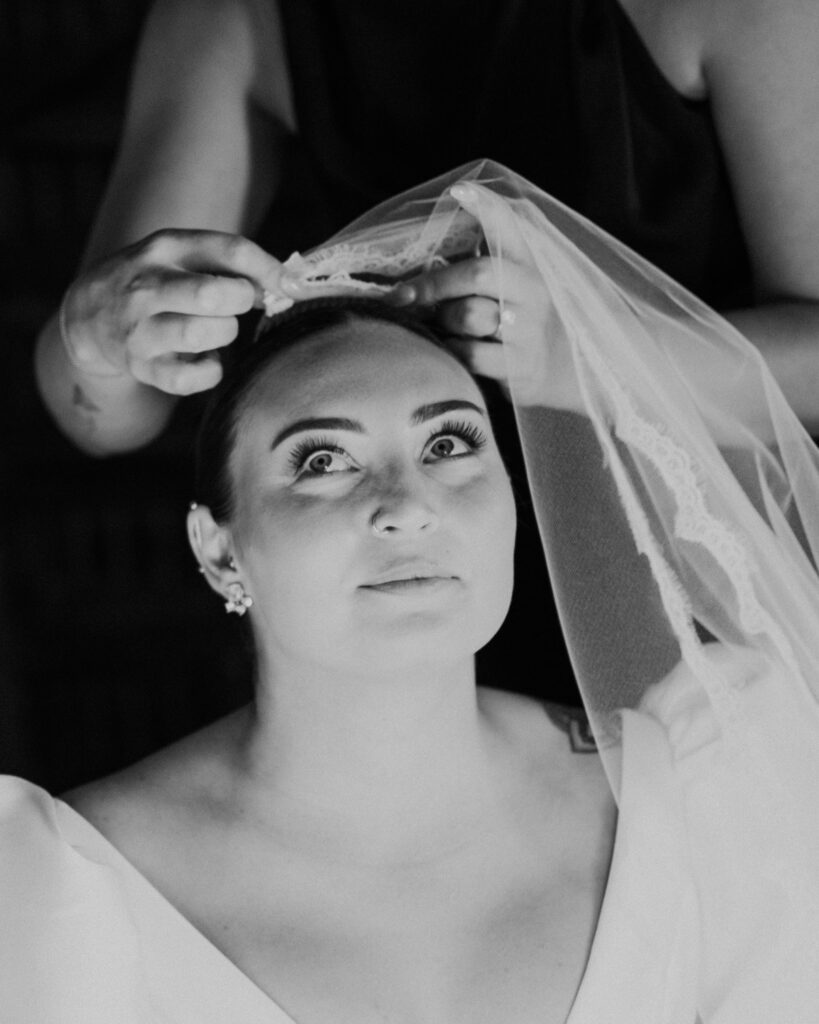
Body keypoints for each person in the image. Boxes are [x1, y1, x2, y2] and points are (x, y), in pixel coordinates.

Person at [3, 167, 818, 1022]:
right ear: (218, 549)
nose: (407, 506)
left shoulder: (716, 801)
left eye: (450, 444)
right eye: (322, 461)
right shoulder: (59, 889)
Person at [33, 0, 819, 457]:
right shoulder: (231, 17)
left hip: (713, 574)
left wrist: (592, 357)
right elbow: (95, 418)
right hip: (405, 579)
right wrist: (95, 342)